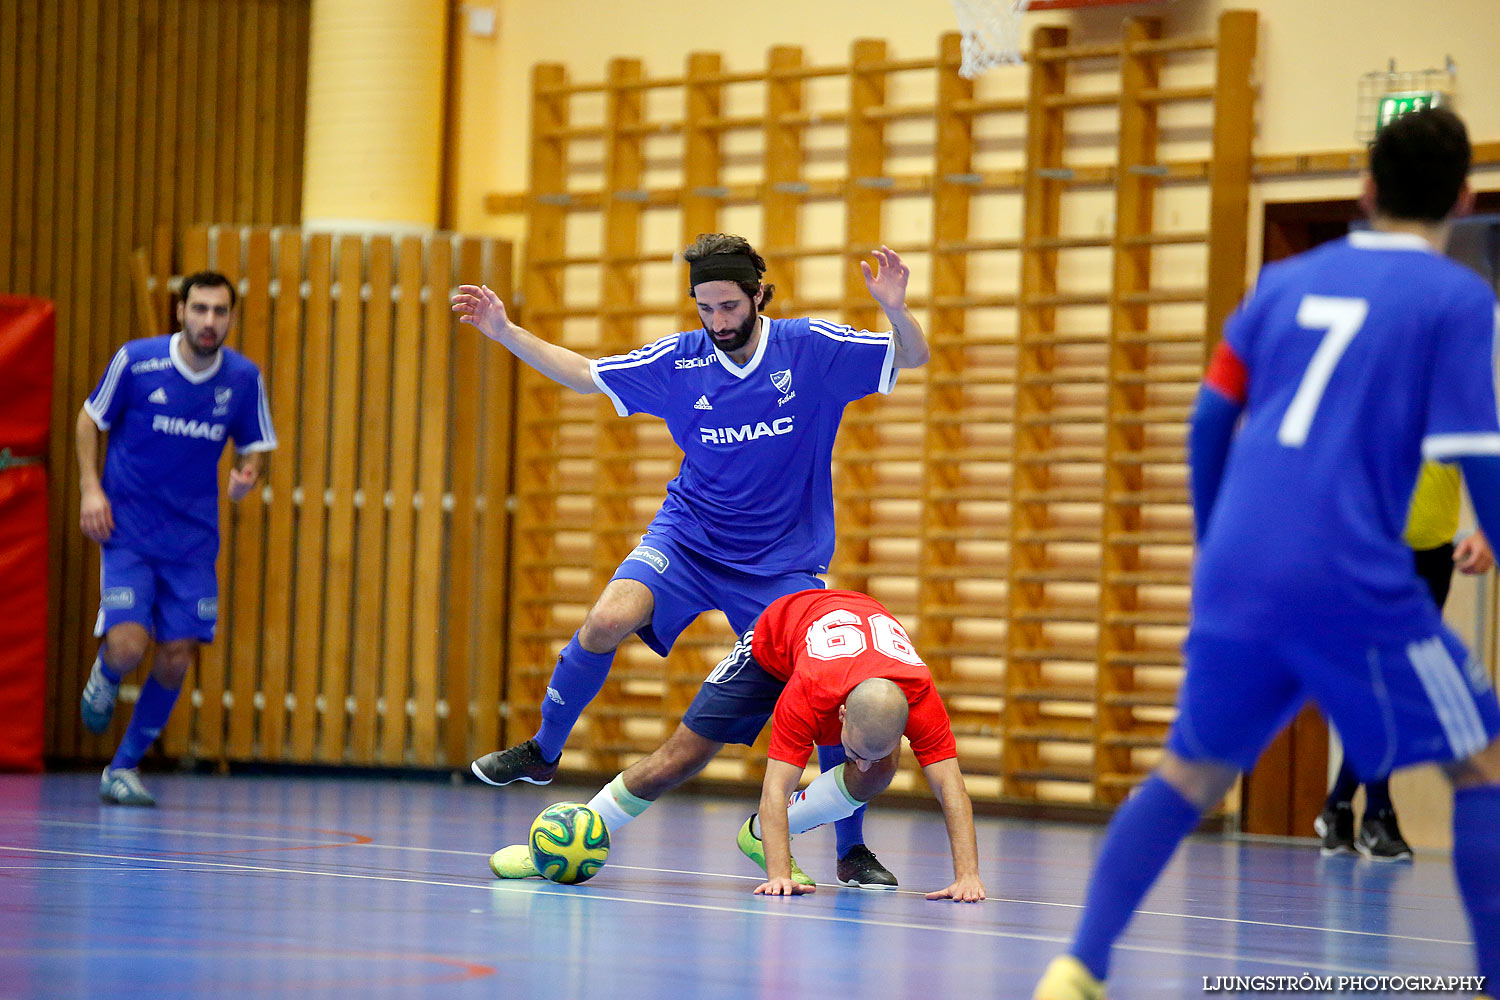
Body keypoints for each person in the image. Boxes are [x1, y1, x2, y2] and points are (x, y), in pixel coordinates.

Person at [1034, 107, 1500, 999]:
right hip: (1355, 575)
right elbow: (1479, 455)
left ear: (1366, 190)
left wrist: (1217, 549)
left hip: (1242, 570)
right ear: (1464, 198)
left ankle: (1078, 966)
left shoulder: (1281, 283)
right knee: (1481, 760)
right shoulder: (1457, 299)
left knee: (1191, 769)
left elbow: (1209, 420)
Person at [453, 234, 929, 887]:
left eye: (730, 306)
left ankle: (852, 849)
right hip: (690, 538)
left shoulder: (810, 349)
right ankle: (544, 751)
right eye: (705, 308)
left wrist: (896, 310)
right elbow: (586, 374)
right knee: (603, 622)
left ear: (760, 294)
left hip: (781, 565)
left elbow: (912, 356)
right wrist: (504, 331)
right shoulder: (681, 361)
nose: (719, 322)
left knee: (824, 690)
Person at [490, 589, 986, 900]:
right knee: (681, 756)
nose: (855, 759)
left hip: (843, 653)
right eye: (852, 747)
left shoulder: (919, 695)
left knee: (879, 770)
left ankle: (764, 834)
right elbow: (774, 787)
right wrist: (779, 874)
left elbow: (952, 790)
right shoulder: (809, 693)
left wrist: (967, 877)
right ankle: (570, 835)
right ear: (837, 716)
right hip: (773, 644)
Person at [77, 271, 276, 807]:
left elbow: (256, 446)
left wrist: (247, 474)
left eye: (220, 311)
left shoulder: (242, 378)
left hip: (191, 544)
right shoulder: (138, 362)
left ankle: (123, 768)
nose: (209, 321)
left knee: (176, 655)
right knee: (128, 644)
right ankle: (106, 672)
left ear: (230, 317)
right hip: (129, 533)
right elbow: (89, 418)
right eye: (200, 309)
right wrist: (90, 488)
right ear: (181, 311)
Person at [1316, 461, 1492, 861]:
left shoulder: (1457, 401)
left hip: (1433, 551)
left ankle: (1339, 805)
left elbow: (1481, 459)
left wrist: (1486, 530)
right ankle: (1377, 813)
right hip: (1372, 547)